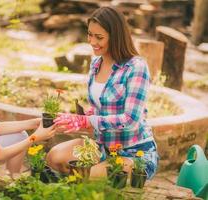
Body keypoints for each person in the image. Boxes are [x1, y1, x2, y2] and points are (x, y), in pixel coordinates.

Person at [47, 6, 158, 179]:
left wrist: (89, 120)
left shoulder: (136, 67)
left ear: (116, 37)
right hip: (102, 147)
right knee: (54, 157)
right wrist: (80, 119)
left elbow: (131, 120)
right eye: (90, 34)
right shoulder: (96, 63)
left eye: (99, 37)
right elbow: (101, 107)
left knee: (85, 177)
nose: (92, 41)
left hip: (133, 153)